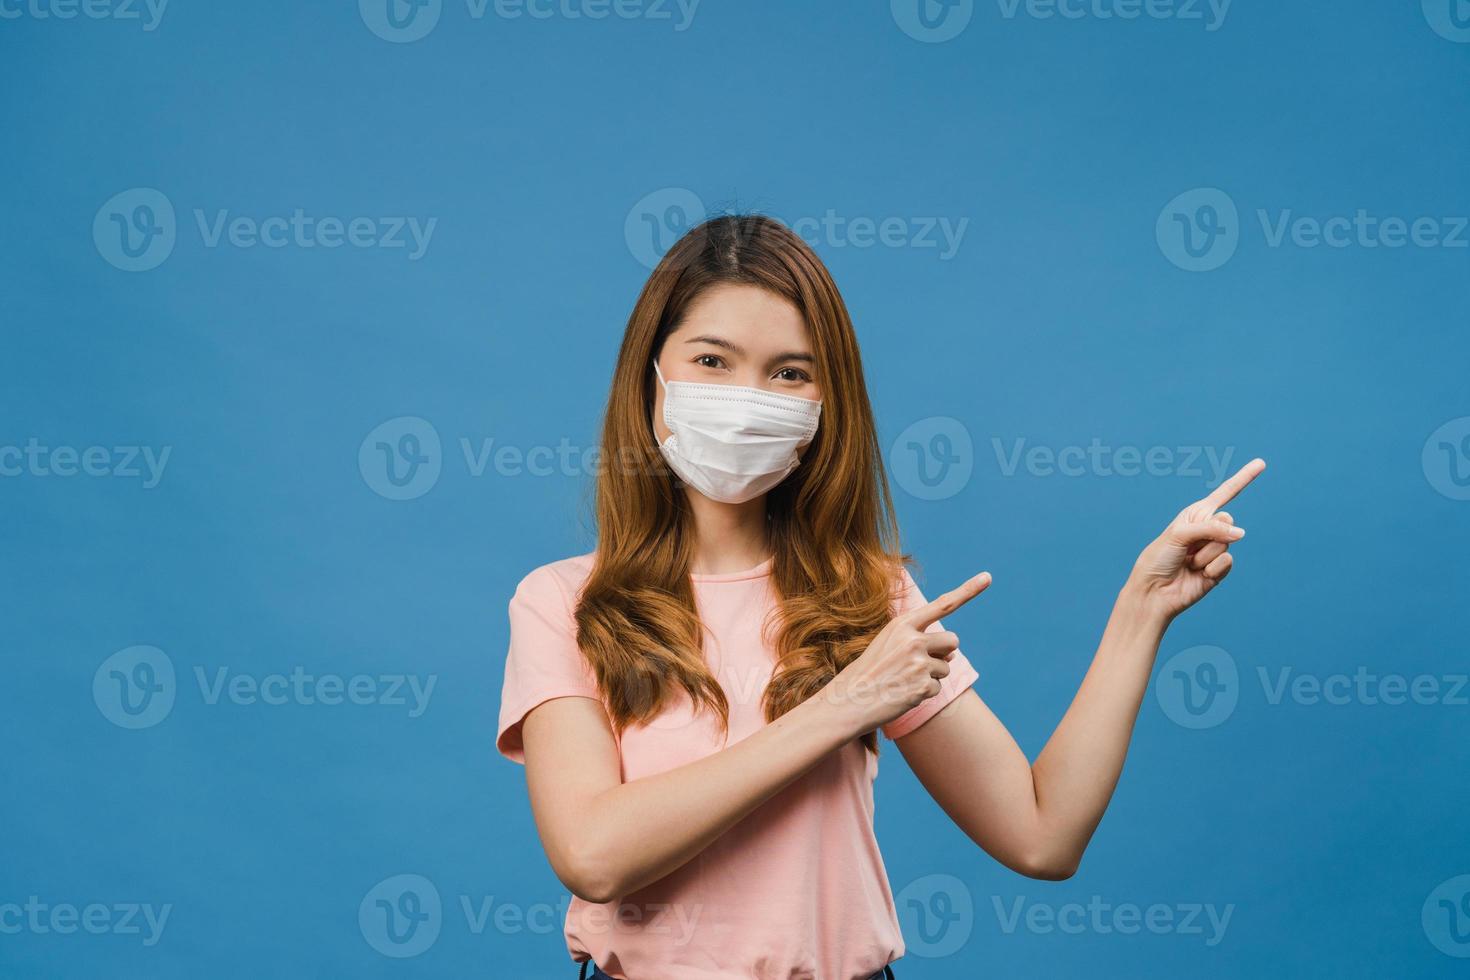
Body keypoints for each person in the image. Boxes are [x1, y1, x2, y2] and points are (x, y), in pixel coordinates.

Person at [495, 214, 1265, 980]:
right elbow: (592, 855)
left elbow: (1043, 834)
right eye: (712, 360)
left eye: (789, 373)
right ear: (650, 374)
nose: (747, 397)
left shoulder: (871, 599)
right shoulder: (562, 602)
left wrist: (1142, 609)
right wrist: (841, 705)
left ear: (825, 404)